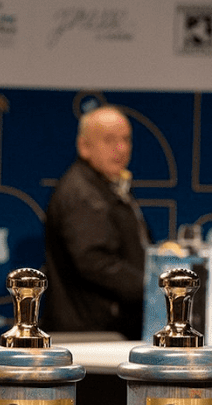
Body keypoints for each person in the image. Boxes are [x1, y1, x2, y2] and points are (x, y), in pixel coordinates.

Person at [43, 105, 150, 340]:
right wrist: (152, 287)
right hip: (91, 335)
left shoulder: (109, 187)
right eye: (109, 140)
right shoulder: (82, 194)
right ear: (84, 146)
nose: (121, 149)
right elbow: (94, 260)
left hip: (107, 330)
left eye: (126, 139)